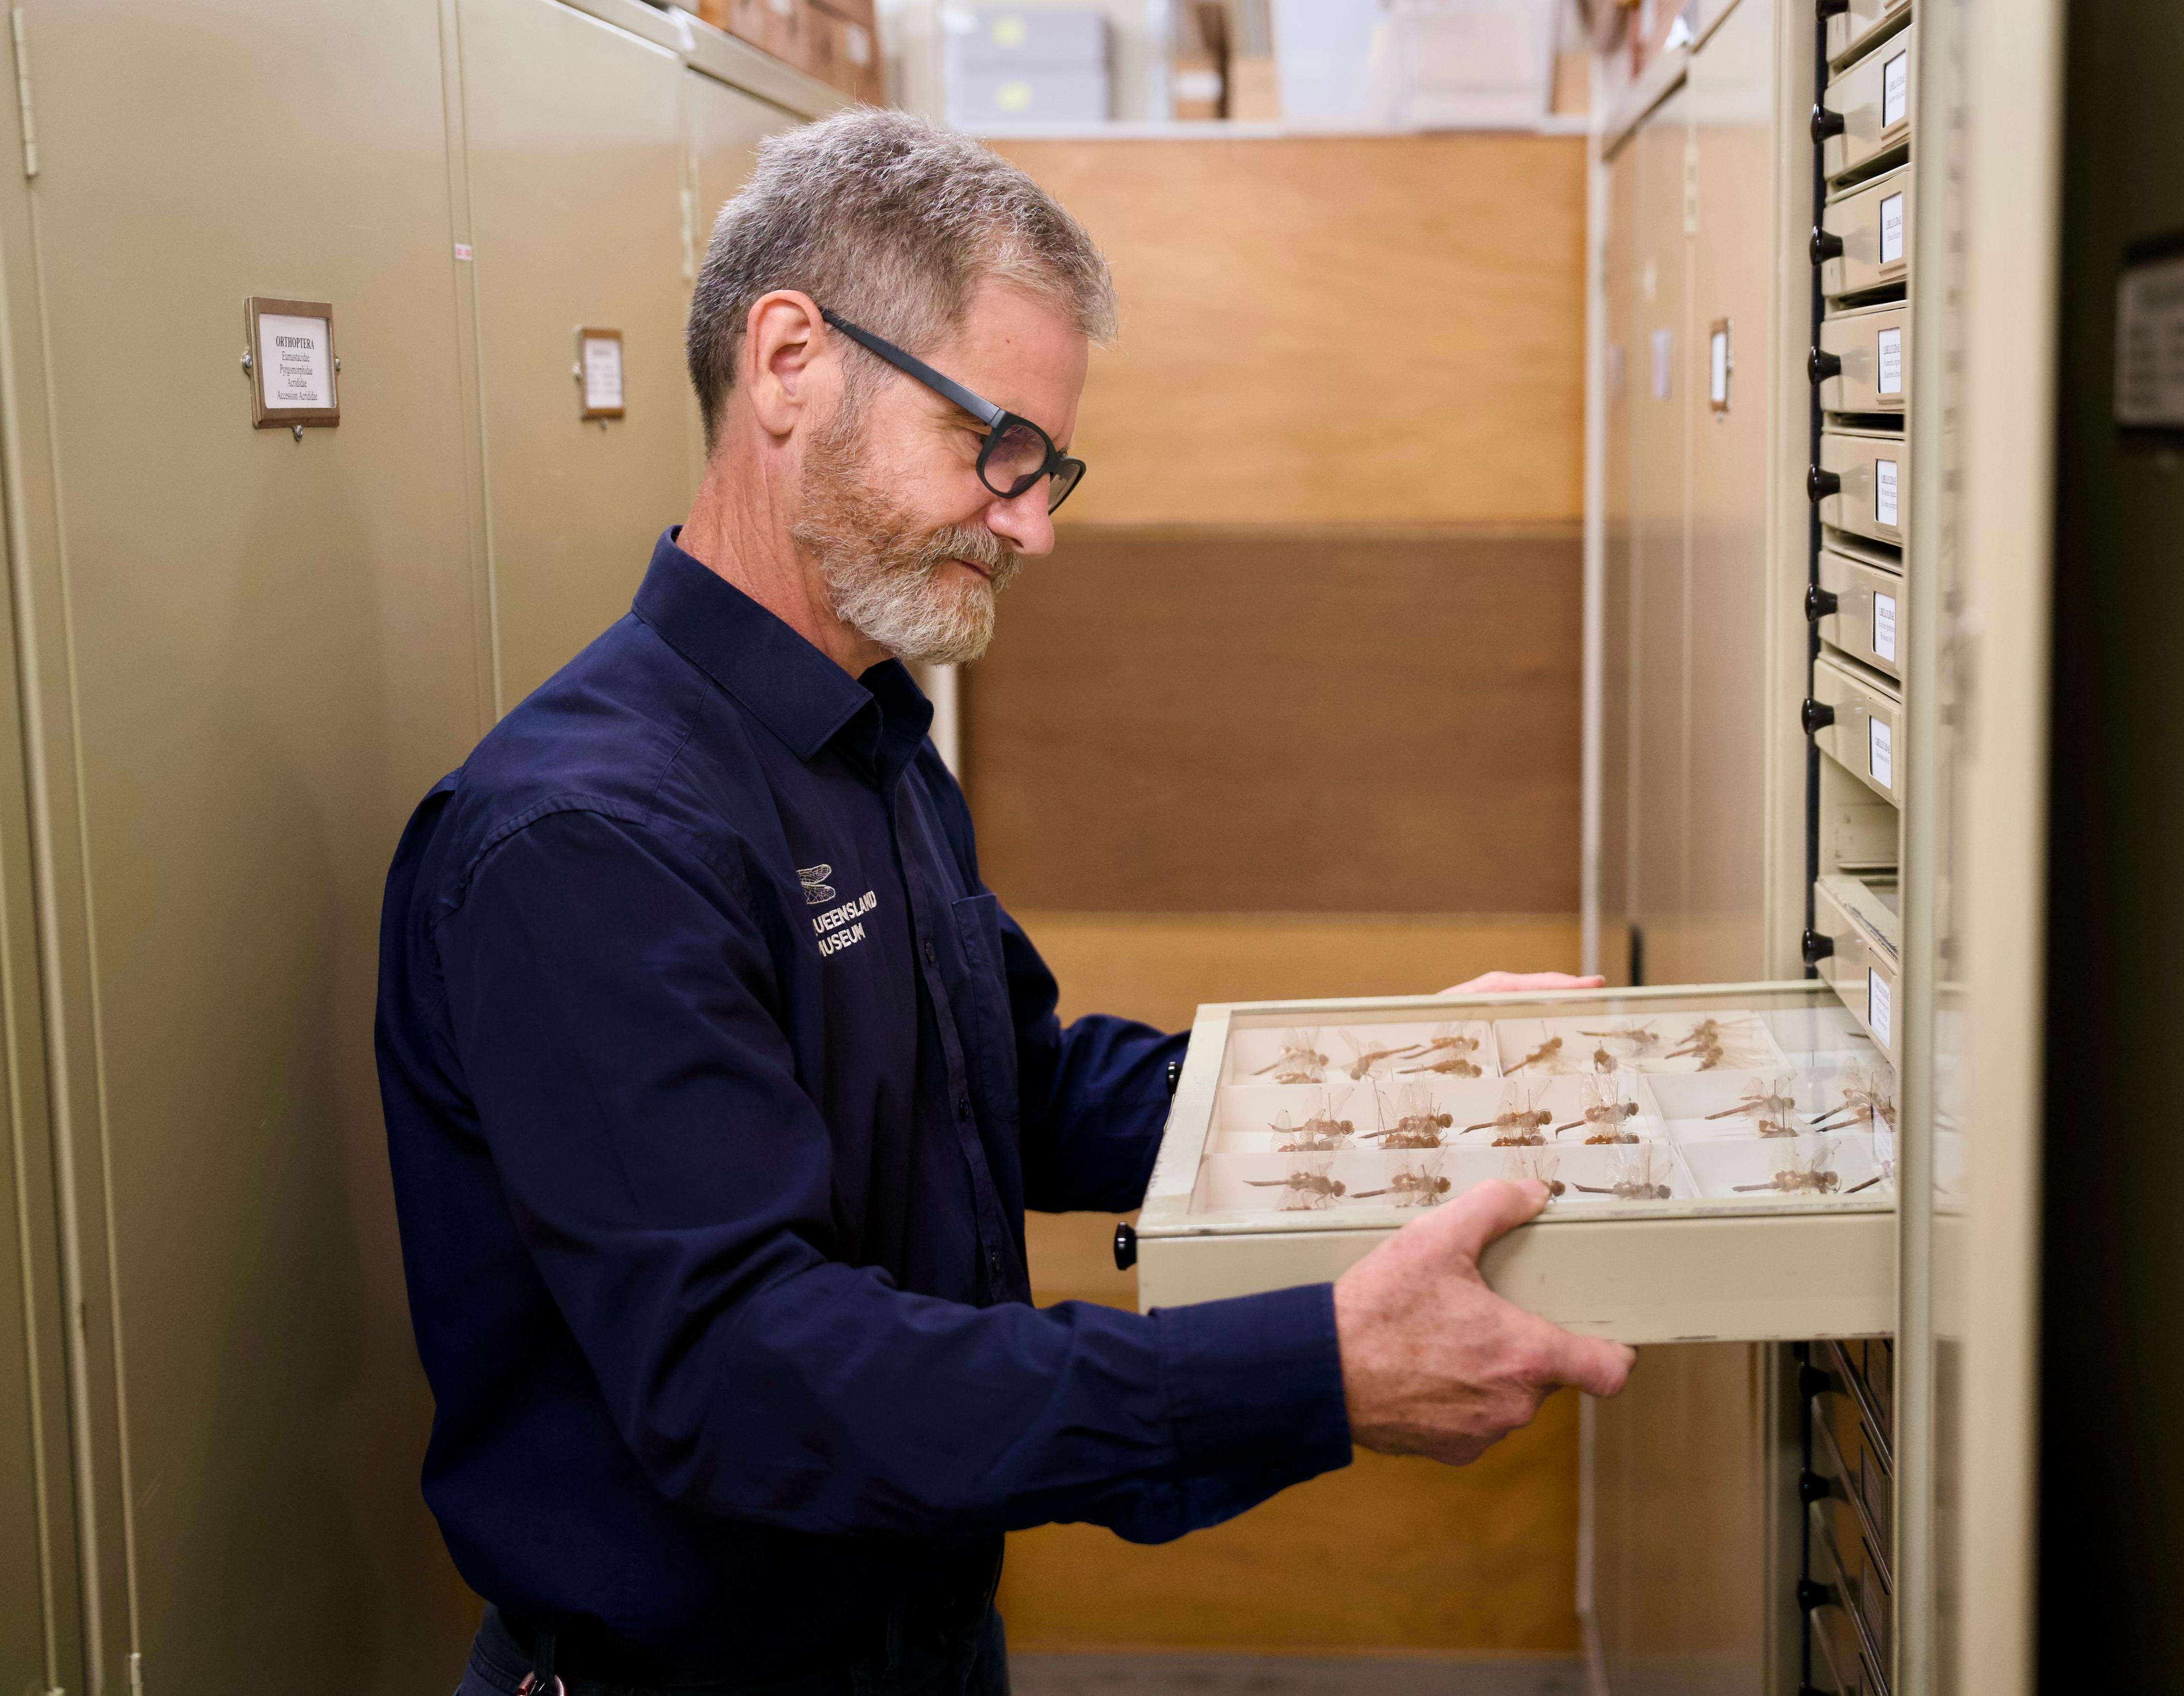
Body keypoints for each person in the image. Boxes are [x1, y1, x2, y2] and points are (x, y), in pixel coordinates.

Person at [375, 107, 1635, 1696]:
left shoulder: (868, 737)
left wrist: (1380, 1089)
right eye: (1001, 450)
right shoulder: (582, 839)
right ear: (788, 363)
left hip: (926, 1637)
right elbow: (748, 1374)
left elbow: (1003, 1088)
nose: (1033, 522)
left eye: (1052, 467)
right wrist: (1308, 1369)